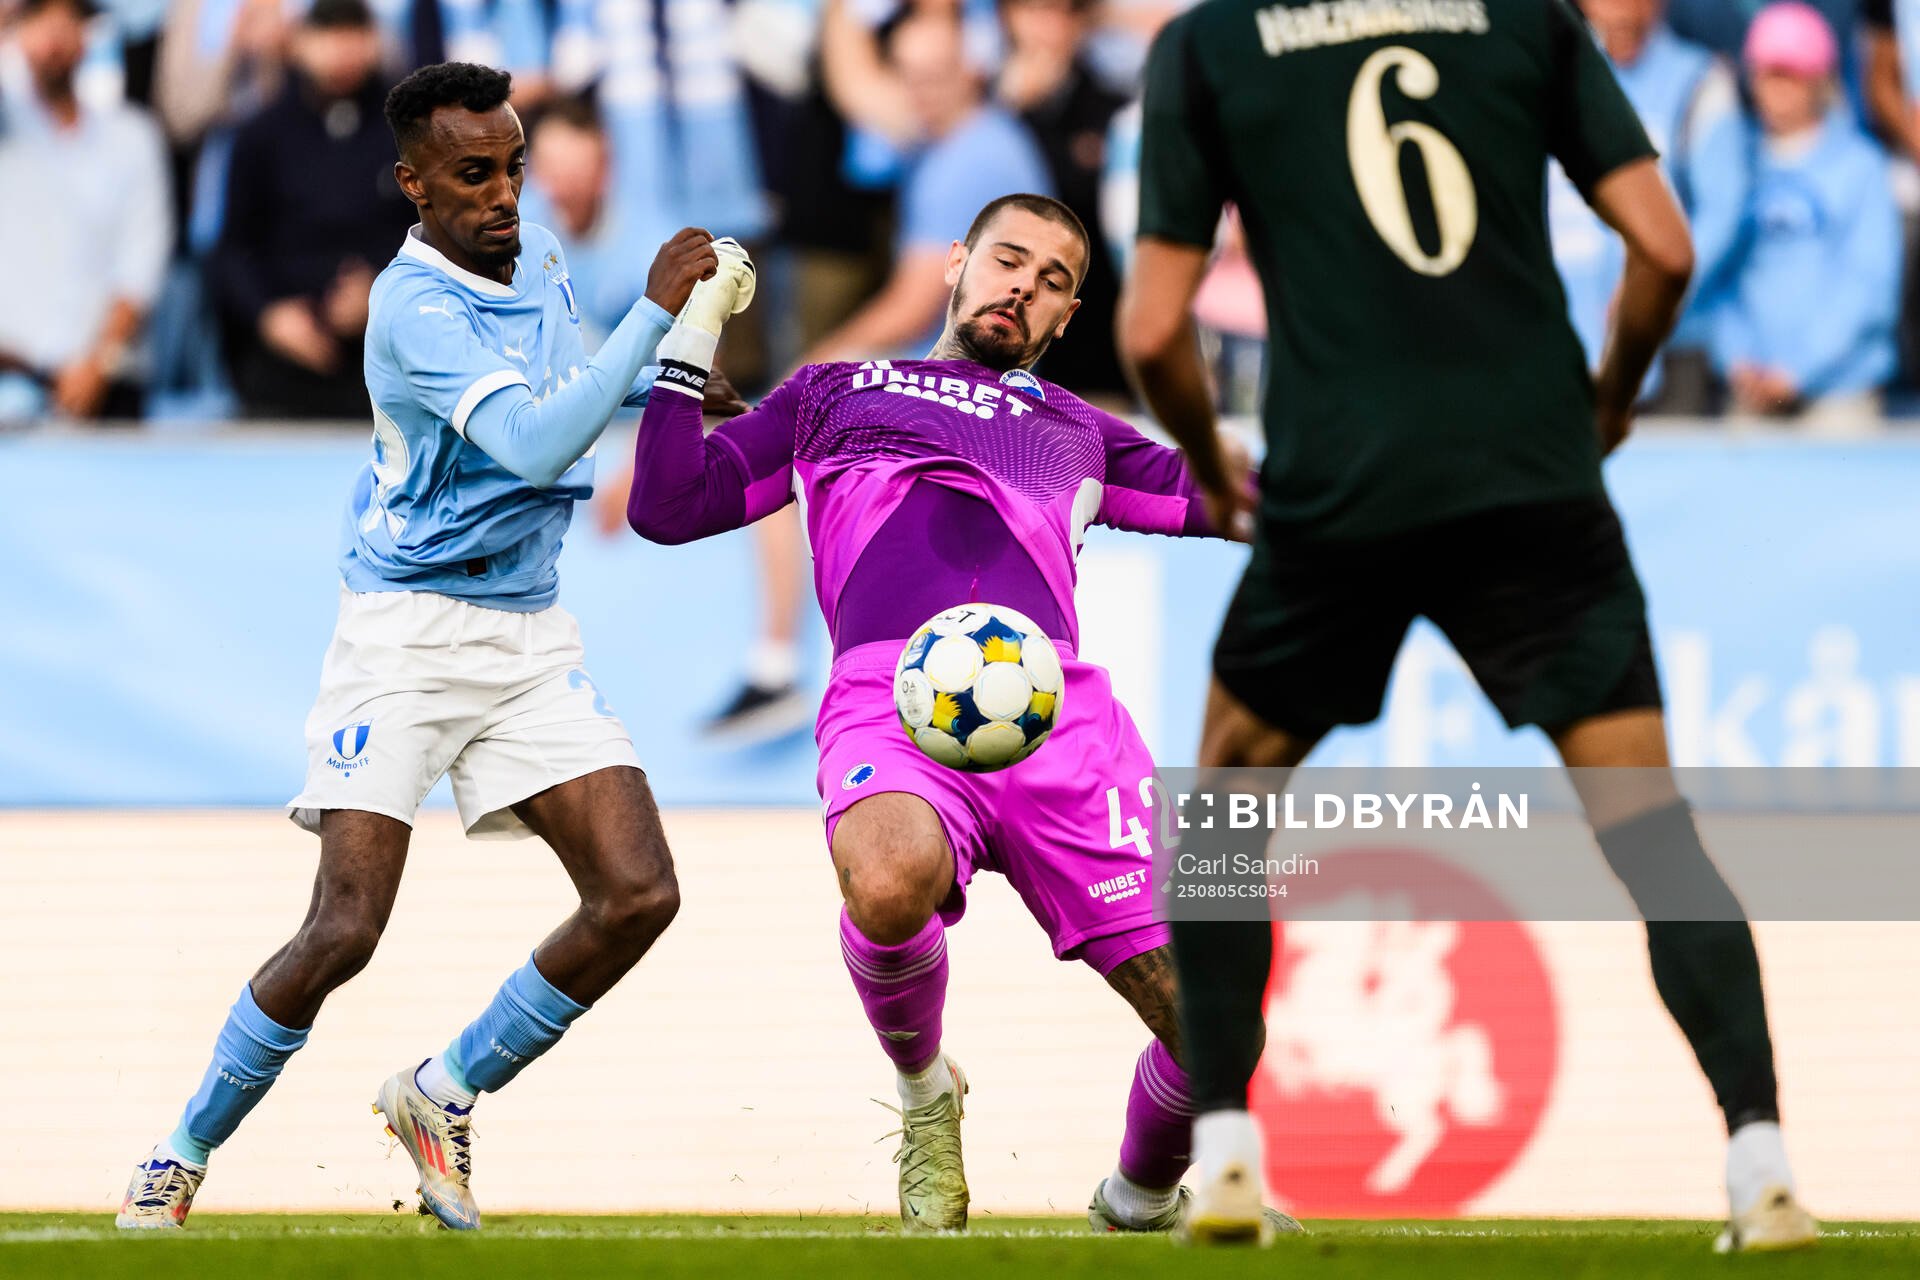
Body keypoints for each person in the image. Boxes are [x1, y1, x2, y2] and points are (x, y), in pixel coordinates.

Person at [1119, 0, 1816, 1250]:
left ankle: (1223, 1149)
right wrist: (1606, 399)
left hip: (1344, 487)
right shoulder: (1527, 19)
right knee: (1651, 829)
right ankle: (1760, 1163)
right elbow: (1661, 247)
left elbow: (1153, 327)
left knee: (1224, 804)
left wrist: (1212, 462)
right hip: (1533, 479)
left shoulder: (1208, 45)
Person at [115, 62, 729, 1232]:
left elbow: (580, 370)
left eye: (512, 165)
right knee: (343, 927)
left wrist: (686, 376)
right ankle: (182, 1148)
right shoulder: (412, 307)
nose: (505, 193)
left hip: (529, 627)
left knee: (639, 891)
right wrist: (659, 307)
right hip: (405, 634)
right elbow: (541, 441)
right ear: (413, 185)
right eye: (473, 174)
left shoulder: (538, 251)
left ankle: (443, 1089)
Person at [624, 193, 1297, 1238]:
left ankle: (1143, 1192)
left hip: (1062, 724)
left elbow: (1247, 499)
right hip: (889, 702)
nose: (1023, 285)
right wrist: (692, 333)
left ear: (1069, 316)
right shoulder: (831, 391)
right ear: (955, 264)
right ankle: (926, 1092)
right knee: (886, 879)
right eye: (1007, 259)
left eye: (1055, 279)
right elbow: (669, 507)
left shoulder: (1081, 430)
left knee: (1218, 1019)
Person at [209, 0, 416, 419]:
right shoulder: (260, 135)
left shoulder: (409, 135)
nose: (342, 51)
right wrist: (271, 316)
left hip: (387, 352)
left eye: (353, 35)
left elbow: (436, 237)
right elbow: (231, 251)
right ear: (299, 44)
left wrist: (382, 291)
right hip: (284, 353)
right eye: (327, 36)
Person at [1710, 2, 1902, 427]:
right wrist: (1738, 360)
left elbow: (1871, 288)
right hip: (1753, 389)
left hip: (1841, 393)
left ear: (1820, 80)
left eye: (1791, 75)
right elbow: (1722, 276)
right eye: (1768, 74)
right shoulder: (1736, 162)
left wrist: (1795, 370)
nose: (1778, 90)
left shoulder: (1860, 166)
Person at [1548, 0, 1746, 409]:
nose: (1621, 12)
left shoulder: (1699, 80)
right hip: (1560, 334)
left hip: (1668, 341)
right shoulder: (1548, 72)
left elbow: (1724, 210)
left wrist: (1649, 295)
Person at [0, 0, 170, 421]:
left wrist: (99, 363)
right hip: (10, 379)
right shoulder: (9, 125)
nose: (54, 38)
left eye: (68, 21)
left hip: (102, 388)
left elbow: (140, 266)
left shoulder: (132, 138)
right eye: (38, 21)